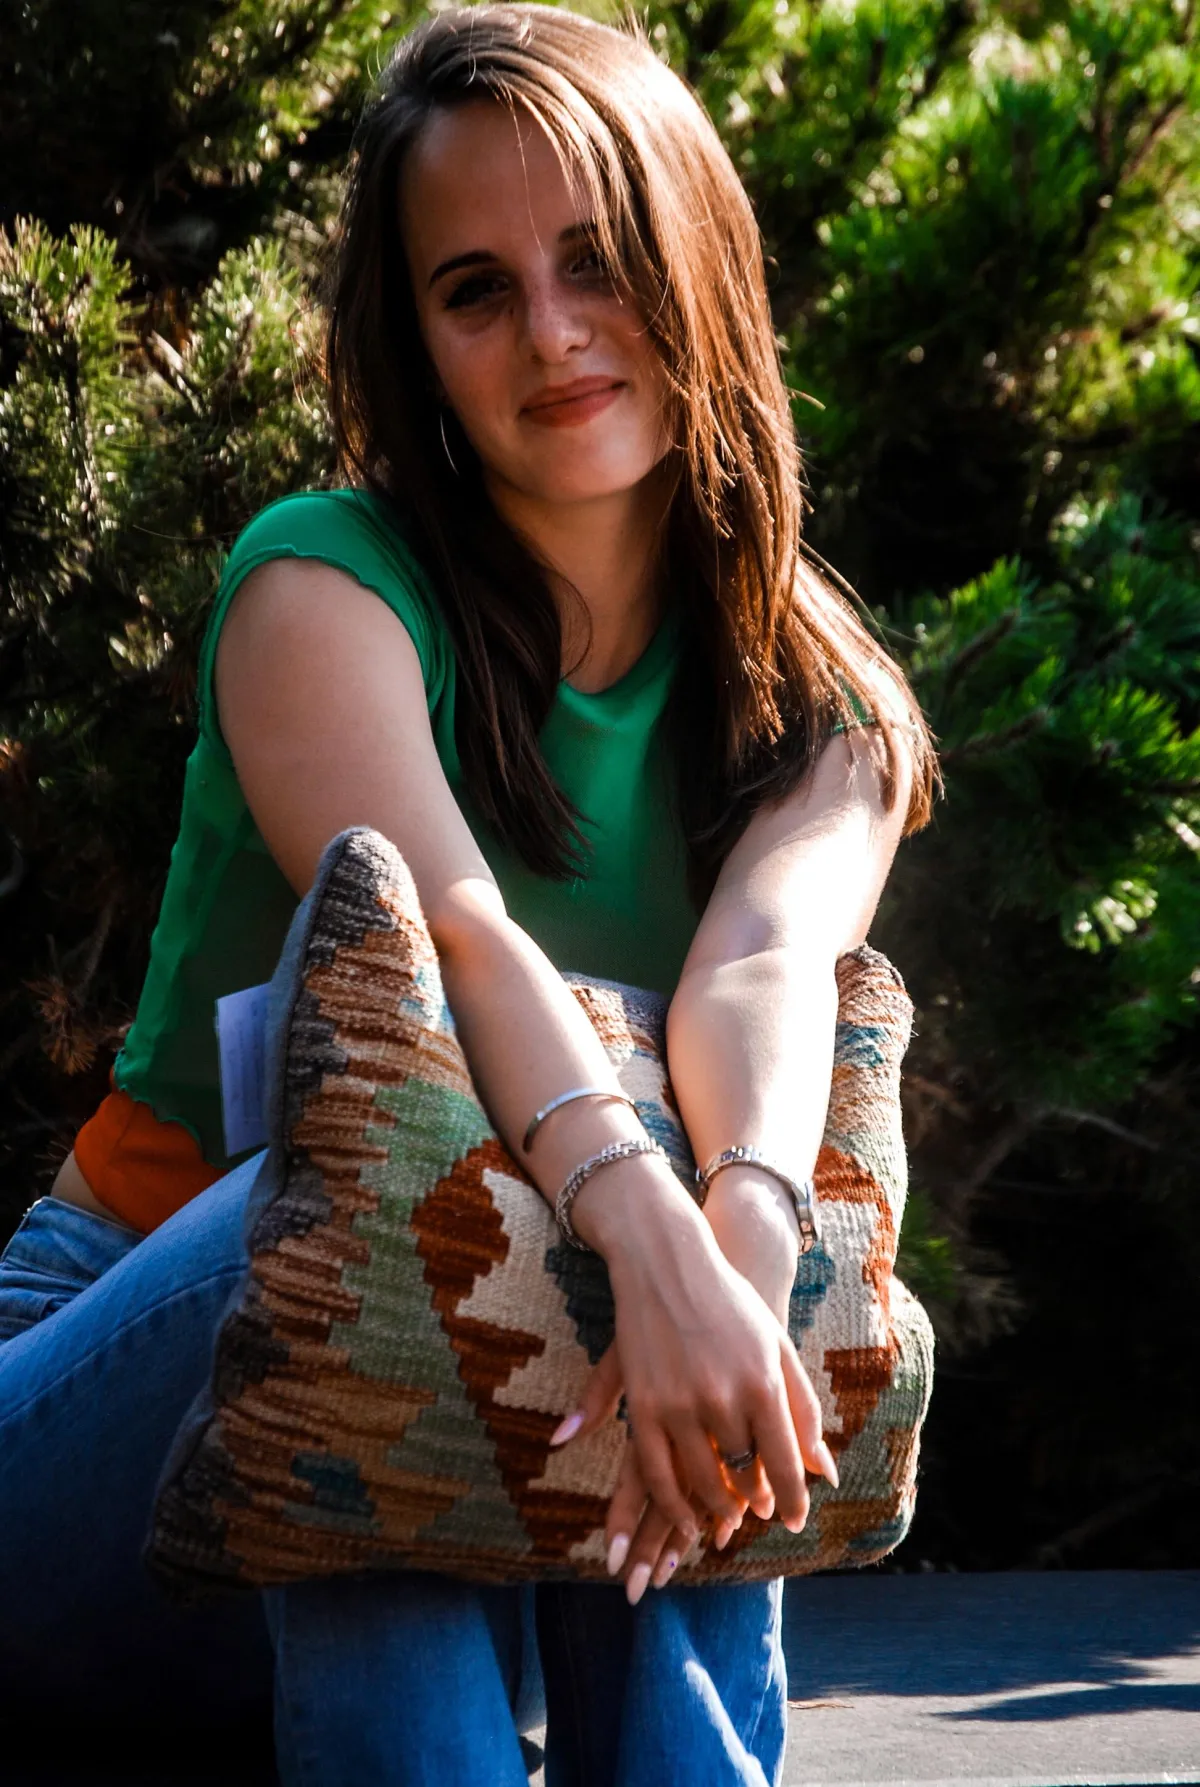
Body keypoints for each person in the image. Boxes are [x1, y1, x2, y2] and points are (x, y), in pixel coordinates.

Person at [0, 6, 938, 1783]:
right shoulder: (320, 590)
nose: (554, 331)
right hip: (98, 1423)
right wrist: (644, 1232)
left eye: (598, 259)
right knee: (382, 1212)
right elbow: (458, 934)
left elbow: (764, 961)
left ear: (697, 260)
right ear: (417, 344)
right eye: (476, 290)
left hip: (478, 1462)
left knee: (560, 1265)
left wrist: (730, 1252)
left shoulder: (830, 707)